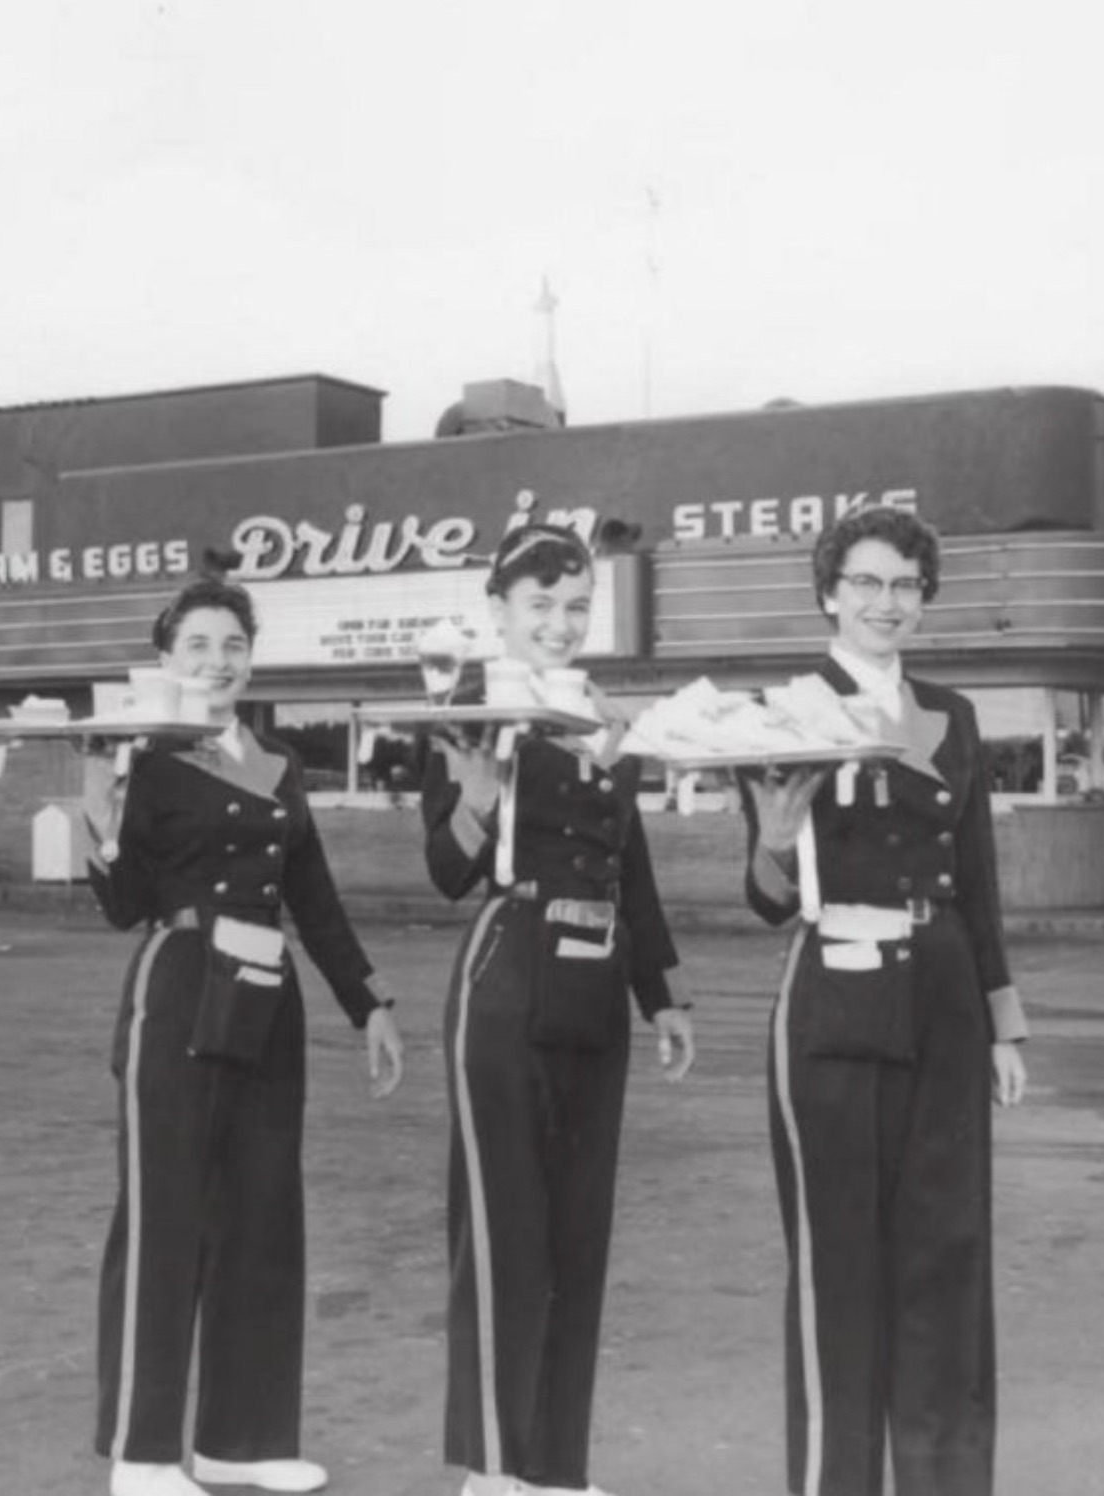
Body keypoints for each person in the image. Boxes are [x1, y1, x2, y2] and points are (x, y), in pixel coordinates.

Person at [90, 576, 406, 1496]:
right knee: (165, 1217)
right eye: (197, 646)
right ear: (165, 660)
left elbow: (314, 899)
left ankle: (242, 1439)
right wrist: (99, 819)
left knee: (264, 1215)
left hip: (270, 999)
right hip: (181, 986)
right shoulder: (139, 761)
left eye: (232, 645)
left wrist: (370, 1004)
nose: (217, 662)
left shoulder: (277, 765)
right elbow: (122, 908)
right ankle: (142, 1456)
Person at [739, 506, 1030, 1496]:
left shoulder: (952, 713)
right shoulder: (783, 707)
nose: (884, 603)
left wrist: (1001, 1018)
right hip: (834, 998)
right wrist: (775, 844)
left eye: (903, 584)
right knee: (839, 1276)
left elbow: (977, 878)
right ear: (827, 591)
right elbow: (765, 895)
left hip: (945, 994)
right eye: (863, 582)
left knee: (946, 1261)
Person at [421, 523, 696, 1496]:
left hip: (597, 978)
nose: (558, 622)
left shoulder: (605, 714)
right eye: (538, 603)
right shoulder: (467, 706)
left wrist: (658, 990)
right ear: (497, 608)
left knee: (579, 1227)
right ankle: (493, 1468)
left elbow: (632, 863)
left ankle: (555, 1470)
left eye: (575, 604)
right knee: (504, 1225)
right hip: (509, 967)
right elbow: (449, 871)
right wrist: (480, 795)